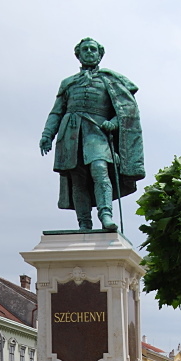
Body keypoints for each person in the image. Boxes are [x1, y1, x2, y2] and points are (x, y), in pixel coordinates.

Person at [40, 38, 145, 231]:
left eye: (93, 49)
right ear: (78, 55)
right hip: (71, 134)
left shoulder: (110, 80)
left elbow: (126, 110)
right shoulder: (68, 83)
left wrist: (113, 123)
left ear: (100, 54)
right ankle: (84, 223)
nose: (89, 52)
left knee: (99, 169)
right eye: (85, 49)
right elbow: (57, 111)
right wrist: (47, 134)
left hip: (97, 133)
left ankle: (105, 215)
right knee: (77, 179)